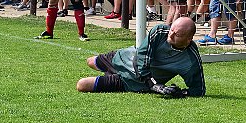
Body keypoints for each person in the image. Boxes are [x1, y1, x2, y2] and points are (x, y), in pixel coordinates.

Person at [76, 17, 206, 97]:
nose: (170, 35)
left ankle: (111, 77)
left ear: (189, 39)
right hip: (123, 58)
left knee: (82, 85)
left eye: (176, 35)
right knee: (90, 61)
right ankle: (109, 71)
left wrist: (179, 93)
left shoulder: (191, 59)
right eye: (171, 30)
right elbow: (142, 58)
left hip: (131, 82)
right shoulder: (160, 31)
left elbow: (198, 90)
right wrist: (153, 84)